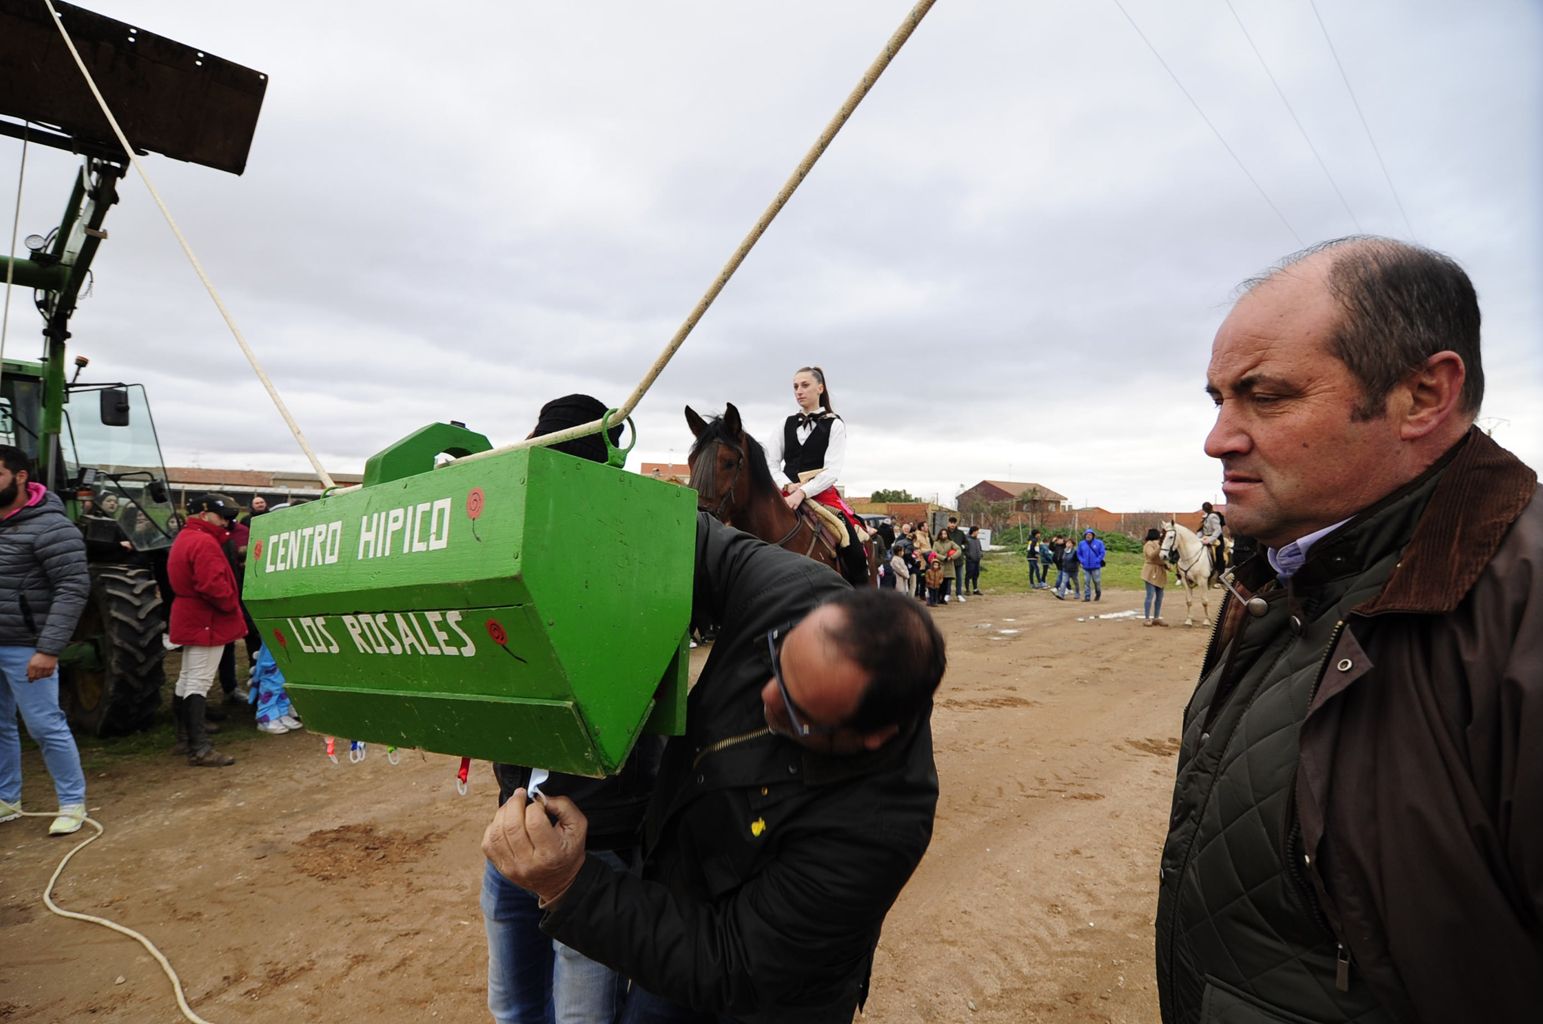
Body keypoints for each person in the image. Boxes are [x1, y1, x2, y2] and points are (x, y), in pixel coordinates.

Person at [1156, 237, 1542, 1023]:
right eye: (1217, 399)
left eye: (1265, 397)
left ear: (1422, 397)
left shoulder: (1522, 608)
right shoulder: (1274, 575)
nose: (1218, 438)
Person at [484, 513, 945, 1024]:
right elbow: (678, 535)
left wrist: (572, 885)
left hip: (762, 993)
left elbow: (731, 965)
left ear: (872, 735)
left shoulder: (877, 829)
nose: (767, 698)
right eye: (777, 661)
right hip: (681, 904)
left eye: (798, 711)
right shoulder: (792, 590)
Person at [482, 394, 661, 1024]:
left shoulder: (639, 562)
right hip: (513, 831)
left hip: (598, 844)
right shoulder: (507, 552)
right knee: (515, 1005)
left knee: (579, 1013)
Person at [0, 445, 91, 836]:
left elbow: (72, 588)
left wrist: (48, 649)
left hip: (27, 645)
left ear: (20, 477)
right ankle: (8, 799)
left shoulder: (52, 527)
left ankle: (72, 803)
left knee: (44, 725)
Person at [763, 366, 867, 584]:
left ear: (820, 388)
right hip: (785, 494)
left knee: (854, 548)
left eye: (805, 385)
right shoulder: (785, 424)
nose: (799, 391)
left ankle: (861, 600)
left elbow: (832, 471)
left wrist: (802, 492)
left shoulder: (835, 424)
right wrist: (787, 486)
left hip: (820, 496)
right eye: (795, 387)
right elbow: (771, 463)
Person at [167, 493, 248, 767]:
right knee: (198, 681)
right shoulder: (204, 542)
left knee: (187, 678)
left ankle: (184, 737)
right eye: (221, 515)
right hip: (206, 618)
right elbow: (213, 585)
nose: (226, 521)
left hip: (192, 614)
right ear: (204, 515)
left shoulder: (187, 538)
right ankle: (199, 747)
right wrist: (229, 604)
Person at [1140, 528, 1168, 627]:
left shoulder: (1161, 544)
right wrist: (1159, 546)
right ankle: (1147, 618)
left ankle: (1156, 617)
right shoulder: (1149, 544)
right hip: (1150, 571)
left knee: (1160, 597)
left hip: (1160, 571)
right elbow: (1151, 555)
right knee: (1150, 595)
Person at [942, 516, 969, 603]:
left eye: (954, 523)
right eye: (951, 523)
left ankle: (959, 594)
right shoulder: (944, 532)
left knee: (959, 577)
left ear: (956, 524)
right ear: (948, 523)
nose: (952, 524)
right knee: (948, 577)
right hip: (948, 559)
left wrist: (962, 547)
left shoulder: (960, 533)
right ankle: (947, 594)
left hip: (959, 559)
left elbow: (966, 543)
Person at [1196, 501, 1225, 578]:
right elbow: (1202, 529)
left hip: (1216, 538)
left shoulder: (1213, 516)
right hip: (1206, 537)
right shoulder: (1205, 516)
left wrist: (1210, 539)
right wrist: (1197, 539)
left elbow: (1218, 530)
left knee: (1218, 554)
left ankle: (1221, 574)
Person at [1075, 529, 1105, 602]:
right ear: (1085, 535)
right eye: (1087, 535)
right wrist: (1082, 560)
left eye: (1090, 535)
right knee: (1086, 581)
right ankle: (1087, 596)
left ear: (1093, 536)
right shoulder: (1081, 543)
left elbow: (1102, 552)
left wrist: (1097, 560)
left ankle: (1098, 593)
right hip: (1086, 567)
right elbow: (1078, 553)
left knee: (1096, 581)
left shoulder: (1099, 543)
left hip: (1095, 566)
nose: (1088, 536)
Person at [963, 526, 983, 596]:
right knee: (968, 575)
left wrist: (981, 554)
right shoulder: (967, 540)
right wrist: (969, 556)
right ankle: (967, 590)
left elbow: (980, 548)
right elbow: (964, 549)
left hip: (977, 560)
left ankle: (975, 589)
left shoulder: (977, 540)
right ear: (974, 531)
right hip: (970, 561)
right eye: (977, 531)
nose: (978, 532)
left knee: (976, 575)